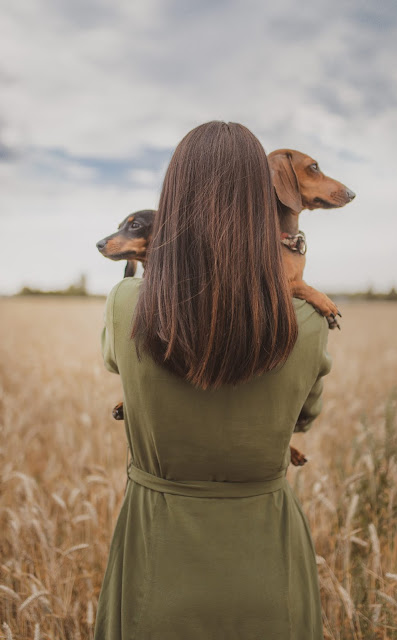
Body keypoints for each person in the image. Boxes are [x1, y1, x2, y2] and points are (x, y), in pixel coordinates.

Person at [94, 121, 331, 639]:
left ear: (171, 201)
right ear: (263, 203)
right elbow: (303, 417)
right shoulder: (309, 321)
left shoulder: (126, 305)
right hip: (269, 567)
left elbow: (119, 364)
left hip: (154, 561)